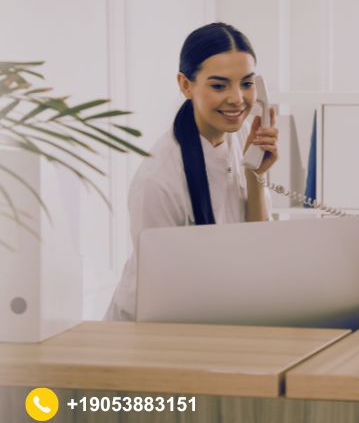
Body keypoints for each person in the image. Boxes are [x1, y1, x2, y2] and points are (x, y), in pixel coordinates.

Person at [107, 22, 279, 321]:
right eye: (219, 85)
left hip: (213, 313)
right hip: (152, 326)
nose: (237, 98)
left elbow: (257, 247)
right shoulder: (157, 179)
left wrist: (256, 175)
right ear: (186, 85)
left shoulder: (244, 136)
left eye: (247, 83)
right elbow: (165, 290)